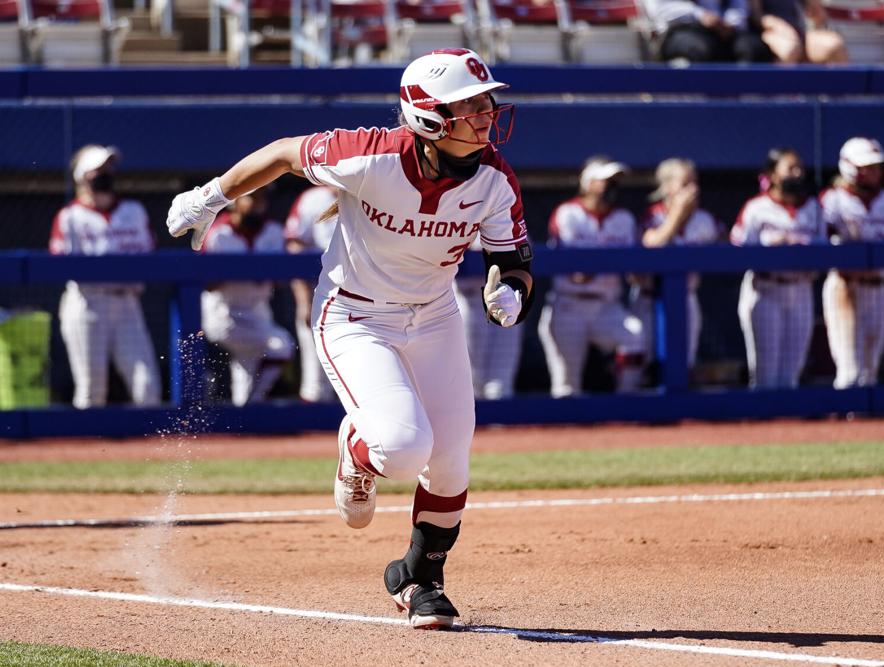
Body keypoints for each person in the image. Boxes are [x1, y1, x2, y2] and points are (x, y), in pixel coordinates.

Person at [166, 48, 533, 630]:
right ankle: (357, 448)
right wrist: (212, 196)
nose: (487, 113)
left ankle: (419, 579)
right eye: (469, 105)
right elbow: (284, 153)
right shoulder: (373, 153)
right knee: (403, 447)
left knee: (451, 460)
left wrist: (510, 291)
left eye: (487, 101)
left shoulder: (494, 178)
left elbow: (513, 261)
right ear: (430, 117)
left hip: (435, 316)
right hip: (356, 317)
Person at [50, 145, 161, 409]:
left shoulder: (134, 211)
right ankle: (83, 438)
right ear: (82, 176)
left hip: (127, 302)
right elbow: (58, 264)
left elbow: (151, 252)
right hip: (89, 303)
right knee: (92, 390)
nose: (106, 173)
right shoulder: (70, 217)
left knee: (147, 386)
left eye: (109, 167)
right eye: (98, 169)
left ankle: (150, 439)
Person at [538, 157, 645, 397]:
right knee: (567, 385)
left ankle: (626, 403)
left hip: (607, 306)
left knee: (635, 335)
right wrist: (611, 261)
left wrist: (607, 263)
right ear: (587, 183)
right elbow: (577, 273)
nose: (610, 187)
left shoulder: (623, 219)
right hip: (569, 305)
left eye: (614, 181)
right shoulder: (568, 213)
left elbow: (634, 271)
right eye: (604, 181)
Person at [731, 148, 826, 389]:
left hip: (801, 289)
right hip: (766, 289)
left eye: (799, 168)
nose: (797, 174)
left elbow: (825, 250)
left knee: (791, 373)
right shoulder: (757, 207)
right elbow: (737, 249)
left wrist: (801, 245)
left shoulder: (814, 208)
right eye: (790, 168)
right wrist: (771, 246)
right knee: (765, 374)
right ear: (773, 175)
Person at [820, 137, 884, 389]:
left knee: (871, 371)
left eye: (877, 166)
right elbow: (821, 243)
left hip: (877, 286)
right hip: (846, 286)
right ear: (850, 168)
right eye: (867, 166)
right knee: (849, 371)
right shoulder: (832, 200)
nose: (874, 171)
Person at [200, 188, 296, 406]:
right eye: (252, 197)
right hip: (224, 312)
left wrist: (260, 270)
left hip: (257, 310)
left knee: (249, 365)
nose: (258, 203)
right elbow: (206, 283)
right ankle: (250, 405)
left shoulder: (273, 231)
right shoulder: (218, 233)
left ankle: (245, 411)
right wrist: (235, 271)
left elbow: (282, 280)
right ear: (235, 202)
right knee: (280, 346)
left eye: (262, 198)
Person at [633, 158, 721, 376]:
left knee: (684, 367)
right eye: (685, 184)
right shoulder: (654, 215)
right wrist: (677, 215)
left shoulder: (704, 219)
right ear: (667, 188)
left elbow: (729, 245)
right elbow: (651, 245)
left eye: (695, 183)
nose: (693, 190)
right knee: (645, 368)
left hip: (687, 297)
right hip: (650, 299)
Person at [285, 185, 339, 403]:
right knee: (316, 381)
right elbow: (295, 246)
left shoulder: (375, 187)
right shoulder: (313, 198)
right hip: (322, 292)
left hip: (365, 293)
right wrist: (304, 300)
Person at [454, 237, 523, 399]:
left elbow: (524, 253)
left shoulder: (510, 221)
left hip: (505, 301)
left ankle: (500, 414)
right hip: (471, 301)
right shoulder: (458, 222)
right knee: (472, 380)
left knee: (501, 382)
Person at [643, 0, 773, 63]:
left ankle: (743, 104)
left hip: (725, 30)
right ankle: (702, 107)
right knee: (700, 49)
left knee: (753, 47)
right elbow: (659, 10)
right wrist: (700, 15)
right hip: (680, 30)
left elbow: (737, 6)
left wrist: (730, 22)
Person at [757, 0, 848, 64]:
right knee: (790, 50)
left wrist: (815, 9)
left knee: (834, 45)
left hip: (798, 31)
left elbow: (816, 12)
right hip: (770, 31)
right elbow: (756, 15)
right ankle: (779, 85)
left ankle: (846, 86)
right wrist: (777, 25)